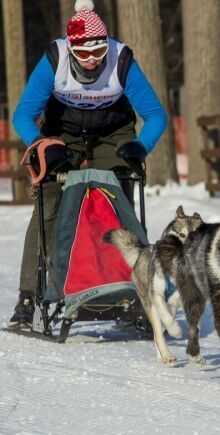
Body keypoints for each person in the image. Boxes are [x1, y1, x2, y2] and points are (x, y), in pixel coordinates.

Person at [9, 0, 167, 327]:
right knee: (48, 202)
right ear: (71, 51)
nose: (93, 61)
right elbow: (23, 114)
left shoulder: (121, 60)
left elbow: (155, 116)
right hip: (62, 132)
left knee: (118, 201)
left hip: (113, 131)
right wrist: (40, 145)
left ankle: (131, 294)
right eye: (84, 54)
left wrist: (140, 147)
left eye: (98, 53)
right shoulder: (54, 59)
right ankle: (30, 296)